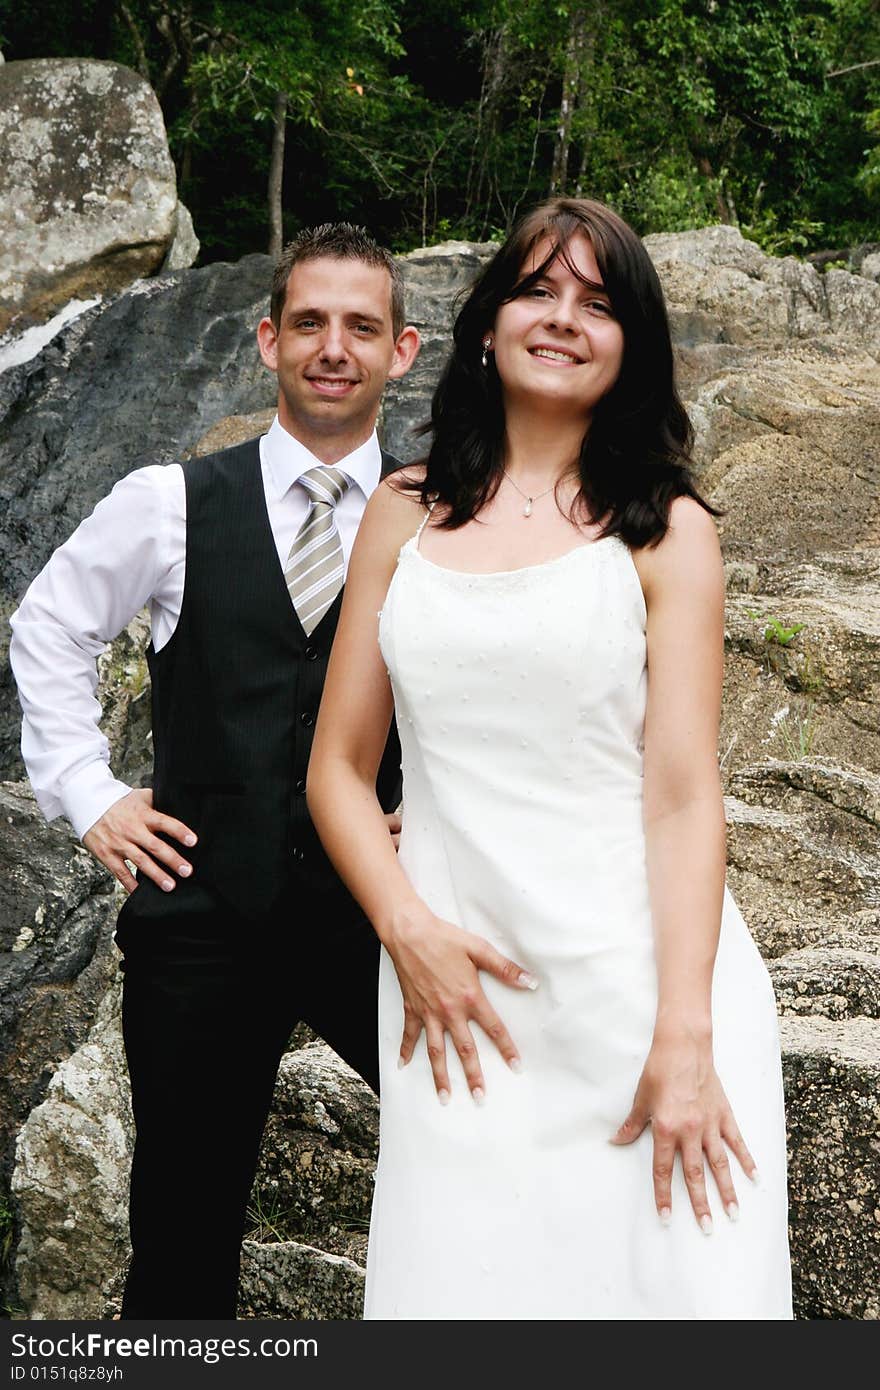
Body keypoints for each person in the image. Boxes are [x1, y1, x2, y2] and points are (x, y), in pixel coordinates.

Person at [306, 197, 793, 1319]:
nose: (565, 317)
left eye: (600, 301)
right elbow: (338, 765)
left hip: (641, 993)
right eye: (538, 288)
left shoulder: (666, 530)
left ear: (633, 346)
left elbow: (679, 796)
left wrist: (684, 1035)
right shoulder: (400, 512)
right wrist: (406, 926)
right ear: (486, 323)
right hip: (456, 996)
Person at [9, 223, 433, 1319]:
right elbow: (48, 626)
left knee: (487, 1154)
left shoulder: (445, 515)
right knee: (183, 1241)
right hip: (199, 916)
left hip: (383, 920)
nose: (332, 346)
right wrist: (89, 792)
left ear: (404, 350)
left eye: (360, 326)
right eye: (308, 323)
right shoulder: (168, 500)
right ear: (266, 340)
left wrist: (436, 819)